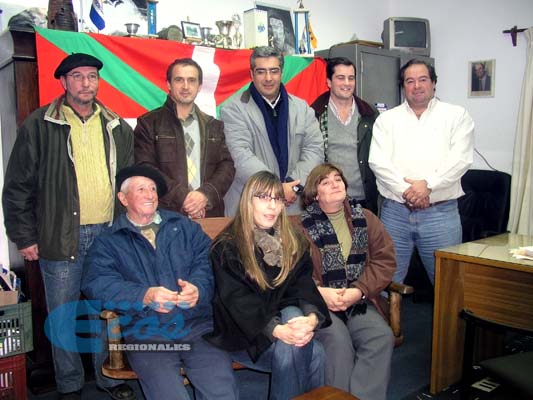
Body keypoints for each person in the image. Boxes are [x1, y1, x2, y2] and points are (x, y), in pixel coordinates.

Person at [2, 53, 135, 400]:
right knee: (64, 315)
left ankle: (109, 377)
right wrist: (24, 236)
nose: (86, 83)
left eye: (92, 76)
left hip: (109, 235)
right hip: (62, 237)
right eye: (77, 76)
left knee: (106, 312)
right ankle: (70, 385)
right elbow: (17, 186)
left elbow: (131, 182)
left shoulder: (116, 125)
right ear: (63, 82)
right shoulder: (40, 124)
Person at [82, 165, 238, 400]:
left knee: (221, 389)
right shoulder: (109, 240)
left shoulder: (184, 226)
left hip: (197, 324)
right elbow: (95, 284)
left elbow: (210, 262)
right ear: (123, 198)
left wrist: (198, 289)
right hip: (146, 330)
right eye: (141, 189)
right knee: (169, 394)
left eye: (153, 189)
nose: (150, 194)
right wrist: (143, 296)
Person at [204, 170, 330, 400]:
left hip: (283, 321)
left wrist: (310, 320)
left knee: (299, 346)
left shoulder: (293, 240)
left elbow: (302, 287)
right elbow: (238, 302)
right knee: (311, 353)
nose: (272, 206)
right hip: (243, 333)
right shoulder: (227, 246)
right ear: (248, 201)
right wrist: (277, 330)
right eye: (263, 198)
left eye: (277, 199)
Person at [369, 58, 474, 285]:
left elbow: (460, 160)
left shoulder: (456, 116)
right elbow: (378, 162)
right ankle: (383, 323)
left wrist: (428, 186)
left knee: (448, 285)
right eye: (410, 81)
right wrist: (409, 191)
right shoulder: (387, 120)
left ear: (434, 83)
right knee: (386, 282)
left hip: (441, 215)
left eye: (423, 79)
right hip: (395, 214)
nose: (417, 86)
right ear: (403, 86)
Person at [297, 163, 395, 400]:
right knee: (338, 345)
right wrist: (321, 292)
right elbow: (294, 273)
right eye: (326, 182)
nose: (334, 184)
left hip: (358, 300)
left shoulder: (366, 219)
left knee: (381, 337)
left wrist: (359, 291)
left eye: (338, 179)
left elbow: (384, 261)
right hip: (320, 304)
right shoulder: (299, 227)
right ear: (314, 193)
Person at [221, 46, 323, 216]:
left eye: (274, 71)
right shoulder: (233, 109)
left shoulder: (302, 108)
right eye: (261, 72)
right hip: (251, 208)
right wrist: (276, 189)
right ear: (252, 74)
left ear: (281, 73)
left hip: (294, 204)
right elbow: (240, 155)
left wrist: (293, 185)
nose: (268, 78)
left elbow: (315, 149)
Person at [134, 58, 235, 218]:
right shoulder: (148, 123)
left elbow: (227, 167)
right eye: (179, 80)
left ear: (199, 86)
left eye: (192, 80)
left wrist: (204, 195)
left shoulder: (214, 125)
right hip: (166, 215)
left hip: (209, 214)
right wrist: (184, 198)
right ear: (168, 84)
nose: (186, 86)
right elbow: (146, 168)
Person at [311, 57, 380, 214]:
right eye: (340, 78)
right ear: (329, 82)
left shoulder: (369, 114)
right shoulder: (315, 114)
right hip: (328, 201)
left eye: (351, 78)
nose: (347, 83)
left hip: (365, 201)